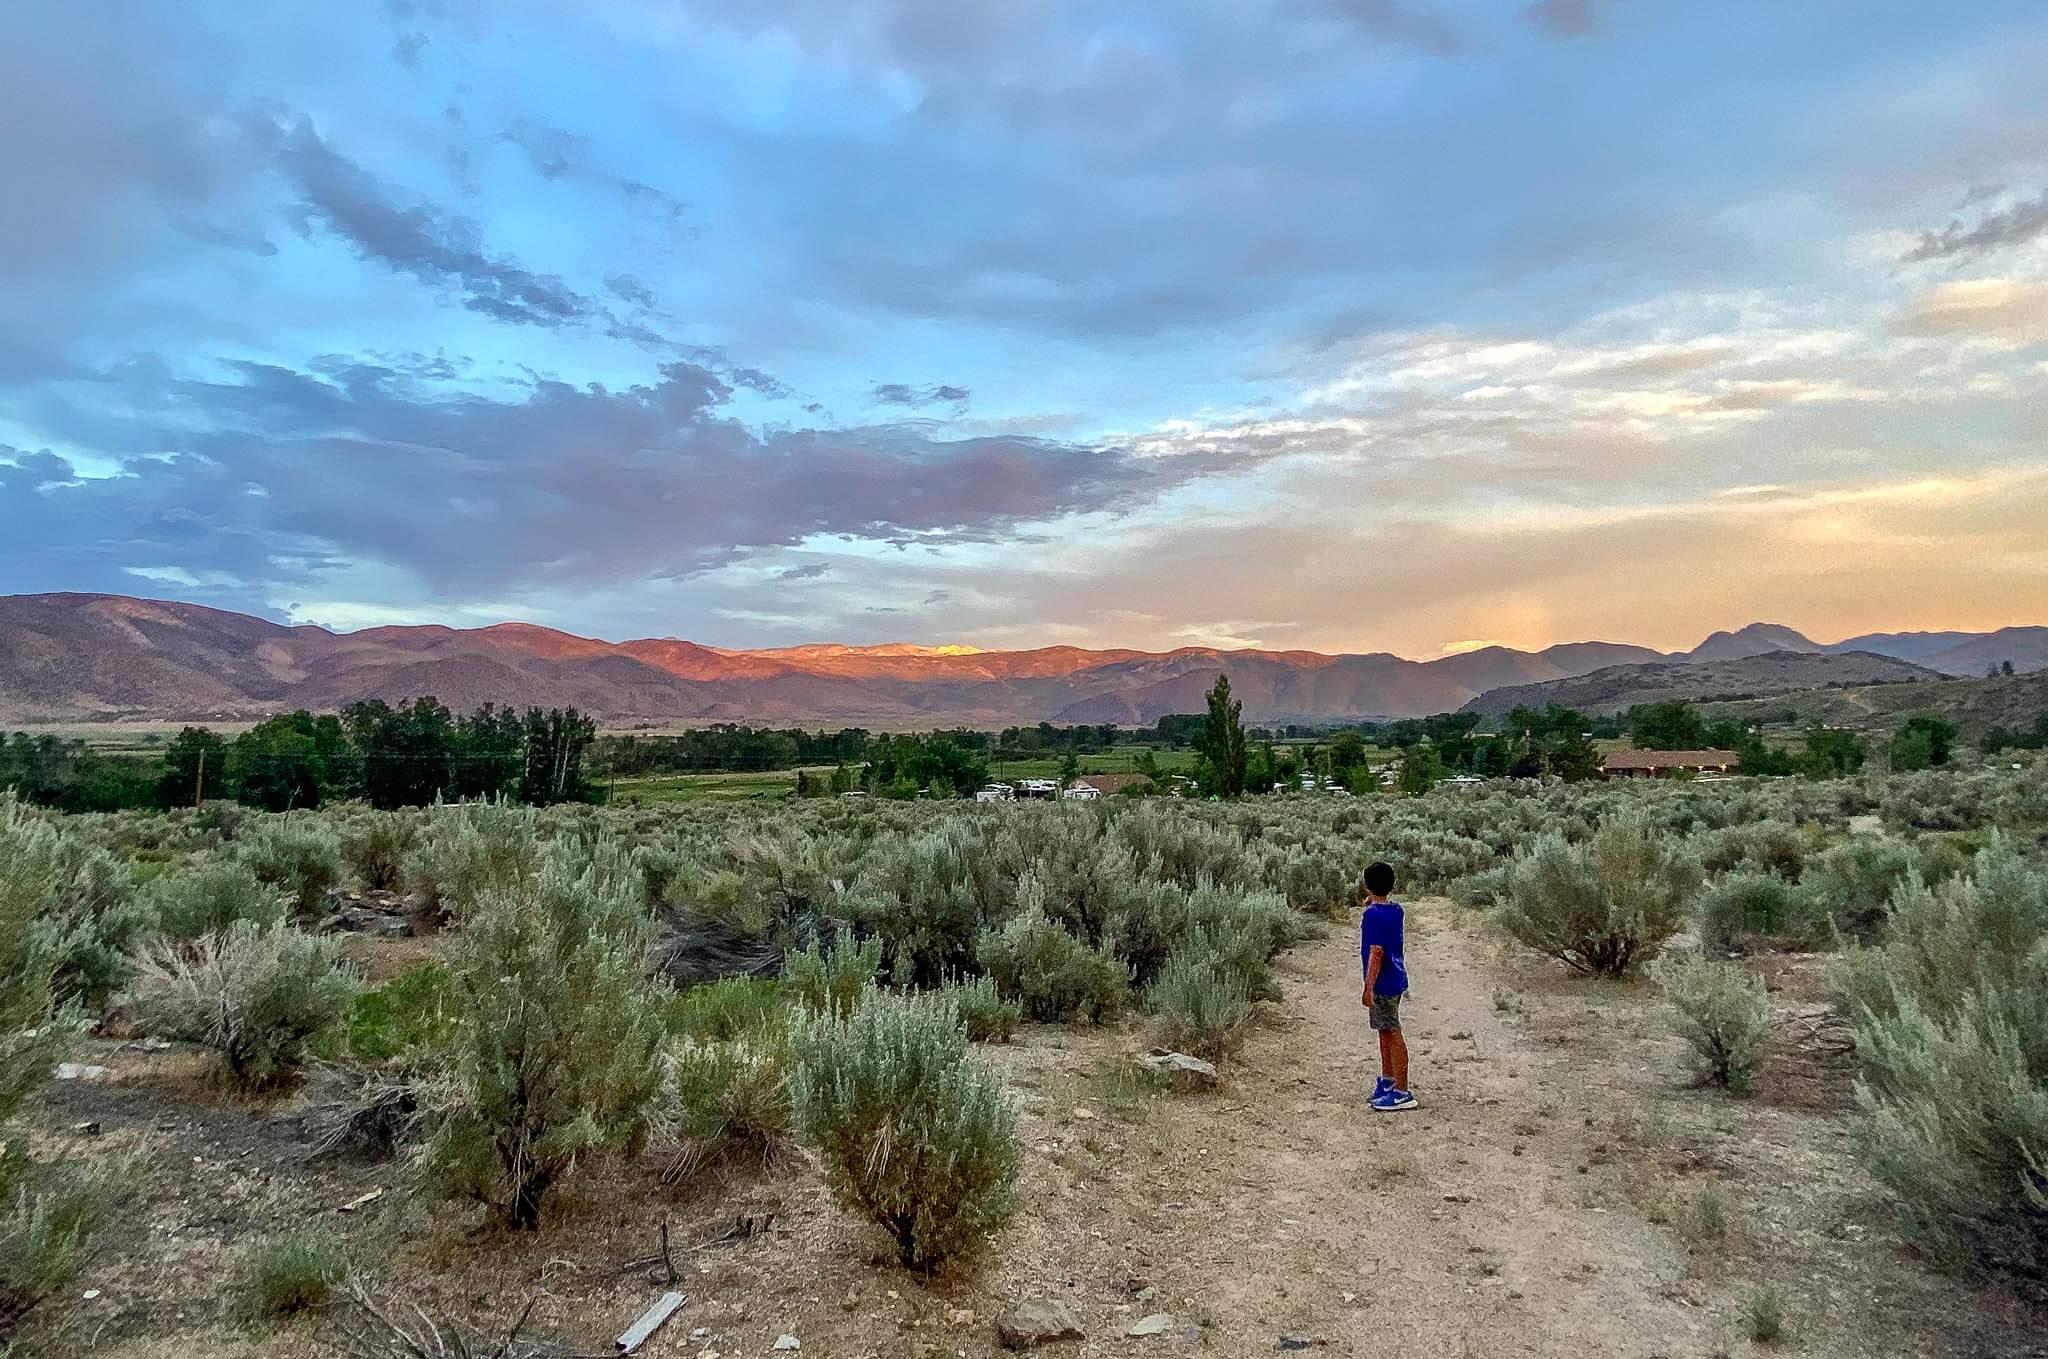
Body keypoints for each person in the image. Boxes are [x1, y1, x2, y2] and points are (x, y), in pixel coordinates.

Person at [1359, 860, 1415, 1112]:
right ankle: (1389, 1080)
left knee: (1391, 1031)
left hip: (1383, 982)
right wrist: (1374, 901)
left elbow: (1376, 952)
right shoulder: (1395, 910)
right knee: (1384, 1029)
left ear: (1366, 885)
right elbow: (1384, 913)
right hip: (1396, 977)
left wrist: (1368, 986)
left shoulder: (1372, 916)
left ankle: (1402, 1090)